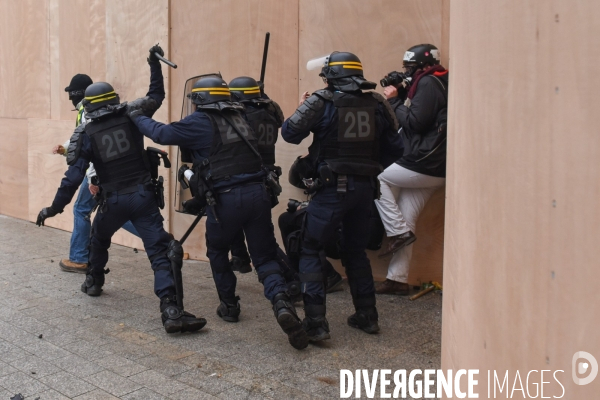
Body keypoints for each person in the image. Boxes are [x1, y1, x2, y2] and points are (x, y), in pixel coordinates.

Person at [129, 74, 309, 350]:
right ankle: (282, 303)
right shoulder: (242, 118)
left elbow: (161, 134)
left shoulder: (200, 121)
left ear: (201, 100)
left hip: (225, 201)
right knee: (264, 258)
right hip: (258, 195)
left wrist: (137, 116)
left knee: (217, 251)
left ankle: (229, 305)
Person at [36, 45, 206, 334]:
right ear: (113, 97)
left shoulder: (86, 134)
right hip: (142, 199)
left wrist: (52, 209)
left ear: (88, 105)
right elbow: (156, 96)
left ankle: (93, 282)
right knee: (159, 252)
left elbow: (72, 179)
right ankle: (171, 309)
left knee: (98, 238)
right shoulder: (132, 114)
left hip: (112, 202)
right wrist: (153, 64)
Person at [281, 51, 401, 341]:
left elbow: (289, 133)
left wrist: (301, 106)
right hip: (366, 190)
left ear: (331, 77)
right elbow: (397, 148)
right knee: (355, 251)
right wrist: (368, 168)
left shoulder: (320, 102)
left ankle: (316, 324)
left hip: (332, 189)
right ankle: (367, 316)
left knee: (310, 248)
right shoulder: (377, 102)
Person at [375, 44, 448, 295]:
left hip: (424, 162)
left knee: (377, 179)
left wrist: (394, 101)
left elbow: (415, 123)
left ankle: (396, 233)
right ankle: (397, 279)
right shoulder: (437, 81)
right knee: (407, 219)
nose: (408, 72)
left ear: (424, 66)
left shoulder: (428, 84)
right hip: (436, 167)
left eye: (411, 67)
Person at [54, 74, 139, 274]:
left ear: (79, 93)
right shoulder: (88, 109)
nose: (70, 98)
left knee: (81, 210)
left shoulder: (87, 111)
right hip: (103, 172)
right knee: (116, 211)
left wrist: (94, 179)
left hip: (96, 172)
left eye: (72, 93)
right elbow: (81, 137)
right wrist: (65, 148)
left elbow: (95, 144)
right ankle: (160, 238)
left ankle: (79, 258)